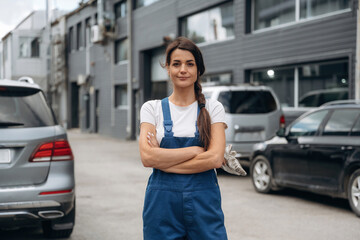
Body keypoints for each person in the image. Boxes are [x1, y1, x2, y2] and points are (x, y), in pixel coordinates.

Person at [139, 36, 228, 240]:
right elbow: (147, 157)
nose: (183, 70)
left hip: (204, 203)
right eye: (176, 64)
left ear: (198, 70)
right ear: (168, 69)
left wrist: (163, 160)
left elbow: (214, 159)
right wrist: (195, 151)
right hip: (162, 207)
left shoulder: (213, 108)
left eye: (190, 64)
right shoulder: (152, 109)